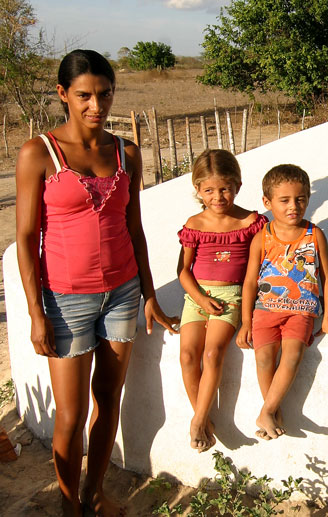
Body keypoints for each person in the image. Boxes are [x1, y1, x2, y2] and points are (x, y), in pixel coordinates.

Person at [15, 50, 179, 517]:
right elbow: (27, 239)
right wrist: (35, 313)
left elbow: (135, 229)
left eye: (105, 94)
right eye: (84, 95)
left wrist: (148, 293)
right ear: (63, 94)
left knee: (108, 399)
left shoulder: (126, 152)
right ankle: (70, 507)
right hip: (65, 301)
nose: (96, 105)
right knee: (70, 416)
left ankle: (95, 493)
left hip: (123, 295)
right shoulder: (38, 153)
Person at [236, 164, 328, 439]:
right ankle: (273, 414)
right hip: (264, 310)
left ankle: (268, 412)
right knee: (263, 359)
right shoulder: (262, 237)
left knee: (292, 356)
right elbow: (250, 281)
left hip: (301, 310)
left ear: (308, 198)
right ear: (267, 202)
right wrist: (244, 321)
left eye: (300, 199)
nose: (293, 206)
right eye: (284, 200)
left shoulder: (314, 234)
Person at [177, 149, 268, 452]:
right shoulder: (195, 223)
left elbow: (260, 266)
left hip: (231, 296)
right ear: (198, 190)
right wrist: (200, 299)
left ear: (238, 186)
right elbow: (183, 272)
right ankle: (204, 421)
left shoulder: (251, 222)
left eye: (225, 188)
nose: (218, 197)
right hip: (196, 296)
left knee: (212, 353)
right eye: (209, 190)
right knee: (188, 356)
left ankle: (197, 422)